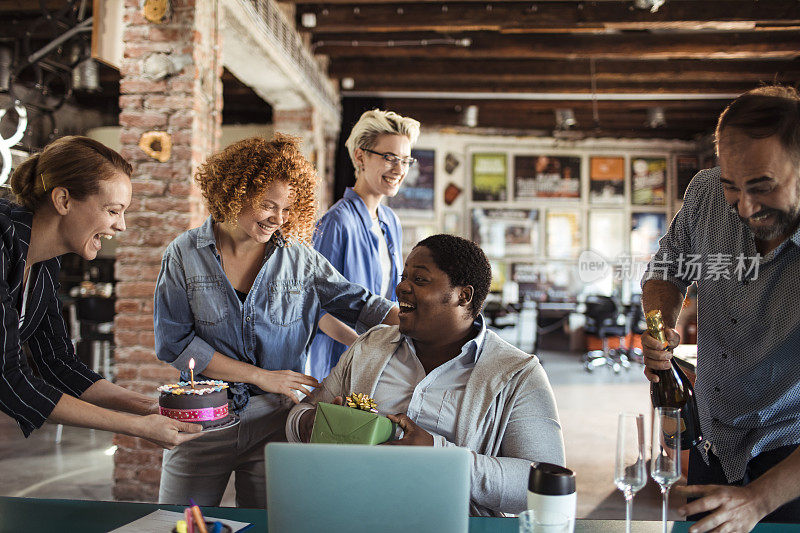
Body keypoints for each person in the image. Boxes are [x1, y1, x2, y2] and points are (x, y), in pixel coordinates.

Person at [154, 134, 399, 508]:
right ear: (235, 192)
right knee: (180, 524)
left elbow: (362, 304)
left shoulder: (301, 259)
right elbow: (174, 344)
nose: (279, 219)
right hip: (203, 420)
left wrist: (431, 320)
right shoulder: (184, 255)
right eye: (268, 205)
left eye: (287, 208)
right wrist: (260, 376)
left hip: (276, 422)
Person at [287, 234, 565, 516]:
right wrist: (312, 425)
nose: (401, 288)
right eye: (403, 277)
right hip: (355, 514)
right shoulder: (369, 346)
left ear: (463, 296)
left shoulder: (518, 374)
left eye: (419, 280)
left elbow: (543, 483)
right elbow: (301, 415)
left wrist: (438, 455)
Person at [640, 85, 800, 531]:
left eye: (763, 187)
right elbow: (668, 269)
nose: (745, 206)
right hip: (714, 441)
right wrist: (659, 327)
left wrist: (756, 501)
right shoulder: (706, 193)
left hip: (791, 459)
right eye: (732, 183)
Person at [0, 136, 202, 448]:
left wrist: (151, 407)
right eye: (113, 210)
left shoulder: (44, 261)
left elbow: (58, 362)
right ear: (64, 200)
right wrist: (139, 426)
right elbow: (7, 380)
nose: (121, 226)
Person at [307, 109, 420, 381]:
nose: (399, 169)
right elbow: (316, 307)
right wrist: (361, 345)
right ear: (361, 156)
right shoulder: (336, 222)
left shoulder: (391, 221)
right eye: (390, 157)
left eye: (405, 160)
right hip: (341, 362)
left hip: (381, 360)